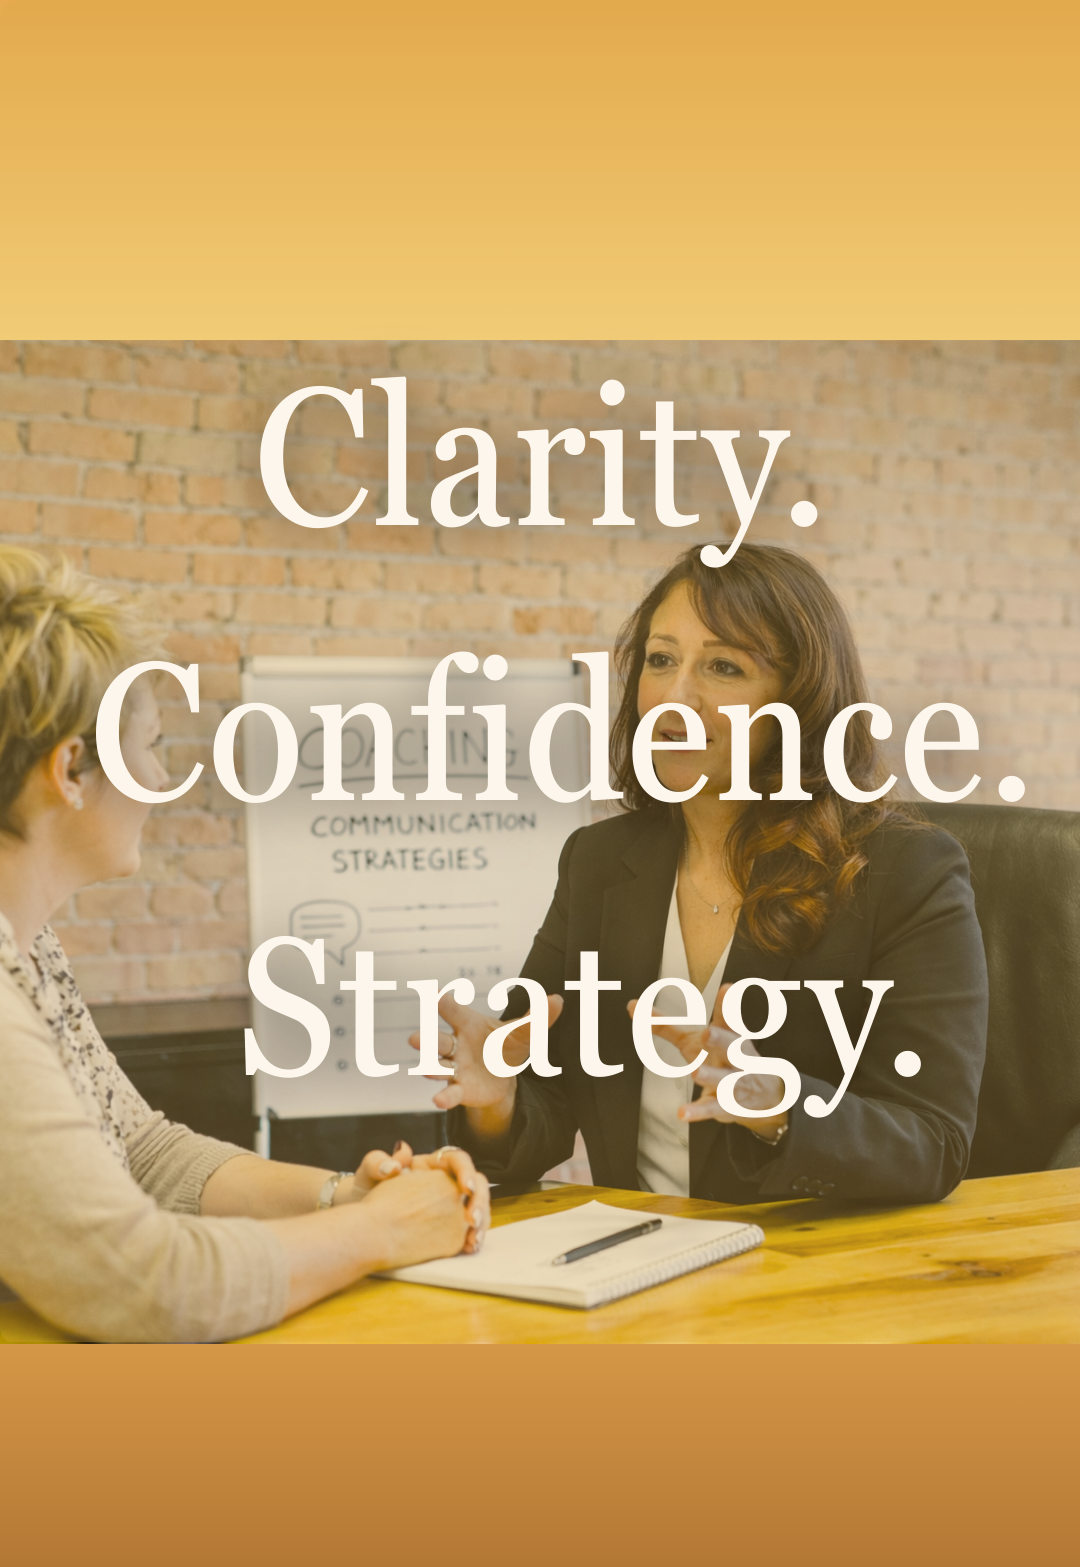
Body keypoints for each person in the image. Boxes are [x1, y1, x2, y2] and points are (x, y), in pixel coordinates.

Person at [0, 545, 489, 1343]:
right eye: (151, 746)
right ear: (73, 770)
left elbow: (141, 1151)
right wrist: (383, 1232)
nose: (162, 781)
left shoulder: (30, 946)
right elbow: (144, 1284)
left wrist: (348, 1196)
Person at [421, 542, 989, 1206]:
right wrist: (498, 1100)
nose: (675, 695)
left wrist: (773, 1100)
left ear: (800, 701)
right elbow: (542, 1093)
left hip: (812, 1275)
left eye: (723, 666)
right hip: (635, 1264)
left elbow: (934, 1142)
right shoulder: (598, 862)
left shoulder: (906, 872)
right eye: (661, 660)